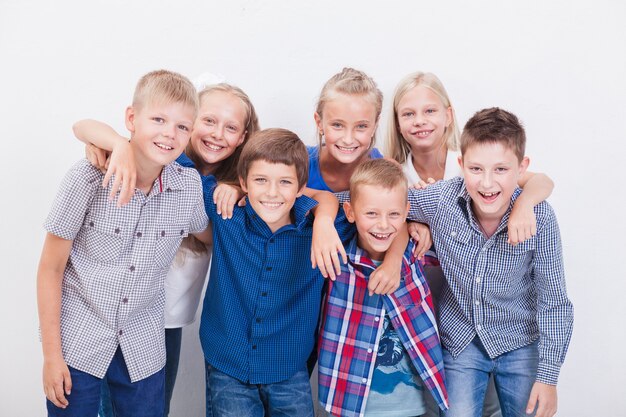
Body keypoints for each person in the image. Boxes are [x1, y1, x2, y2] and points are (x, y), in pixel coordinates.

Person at [73, 81, 260, 417]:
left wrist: (238, 188)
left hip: (167, 321)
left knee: (155, 408)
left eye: (231, 127)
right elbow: (83, 126)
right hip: (112, 317)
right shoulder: (160, 161)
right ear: (190, 122)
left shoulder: (230, 191)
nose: (218, 134)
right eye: (208, 121)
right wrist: (116, 144)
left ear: (244, 137)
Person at [37, 69, 210, 416]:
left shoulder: (188, 188)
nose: (169, 134)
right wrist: (51, 356)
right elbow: (50, 268)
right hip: (78, 339)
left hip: (142, 343)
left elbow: (209, 234)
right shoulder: (87, 177)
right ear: (131, 118)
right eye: (158, 119)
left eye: (182, 127)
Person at [386, 72, 556, 417]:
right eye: (409, 114)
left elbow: (536, 181)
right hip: (450, 326)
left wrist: (525, 205)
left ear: (448, 115)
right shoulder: (423, 189)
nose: (487, 181)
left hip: (513, 333)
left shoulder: (498, 179)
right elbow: (369, 203)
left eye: (429, 111)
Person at [197, 128, 355, 417]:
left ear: (300, 187)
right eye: (260, 180)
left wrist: (324, 219)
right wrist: (116, 145)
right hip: (227, 364)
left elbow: (382, 206)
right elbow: (173, 163)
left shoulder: (322, 229)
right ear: (243, 181)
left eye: (284, 182)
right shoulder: (225, 213)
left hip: (289, 369)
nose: (271, 193)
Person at [317, 158, 448, 417]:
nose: (384, 225)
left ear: (407, 212)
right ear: (350, 212)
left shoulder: (415, 252)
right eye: (371, 214)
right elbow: (301, 198)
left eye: (394, 215)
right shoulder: (335, 257)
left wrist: (421, 227)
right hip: (347, 401)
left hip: (414, 406)